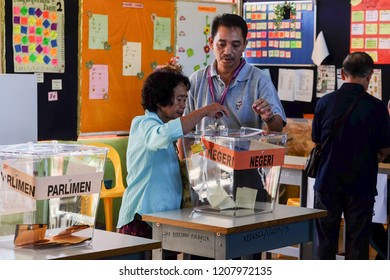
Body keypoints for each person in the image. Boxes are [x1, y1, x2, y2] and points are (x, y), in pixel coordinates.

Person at [116, 61, 229, 239]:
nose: (184, 105)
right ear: (161, 100)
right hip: (140, 219)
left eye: (185, 99)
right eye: (179, 99)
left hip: (165, 220)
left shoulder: (167, 129)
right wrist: (203, 111)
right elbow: (160, 136)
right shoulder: (143, 124)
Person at [312, 51, 390, 260]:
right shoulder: (377, 108)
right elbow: (384, 149)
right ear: (370, 74)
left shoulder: (324, 103)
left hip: (327, 182)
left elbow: (317, 141)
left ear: (342, 73)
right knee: (357, 244)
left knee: (324, 242)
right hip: (361, 185)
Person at [184, 13, 286, 133]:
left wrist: (269, 118)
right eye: (221, 44)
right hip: (204, 151)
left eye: (235, 45)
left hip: (245, 151)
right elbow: (185, 128)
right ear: (211, 42)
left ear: (244, 45)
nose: (228, 51)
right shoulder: (197, 79)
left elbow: (278, 127)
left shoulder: (259, 79)